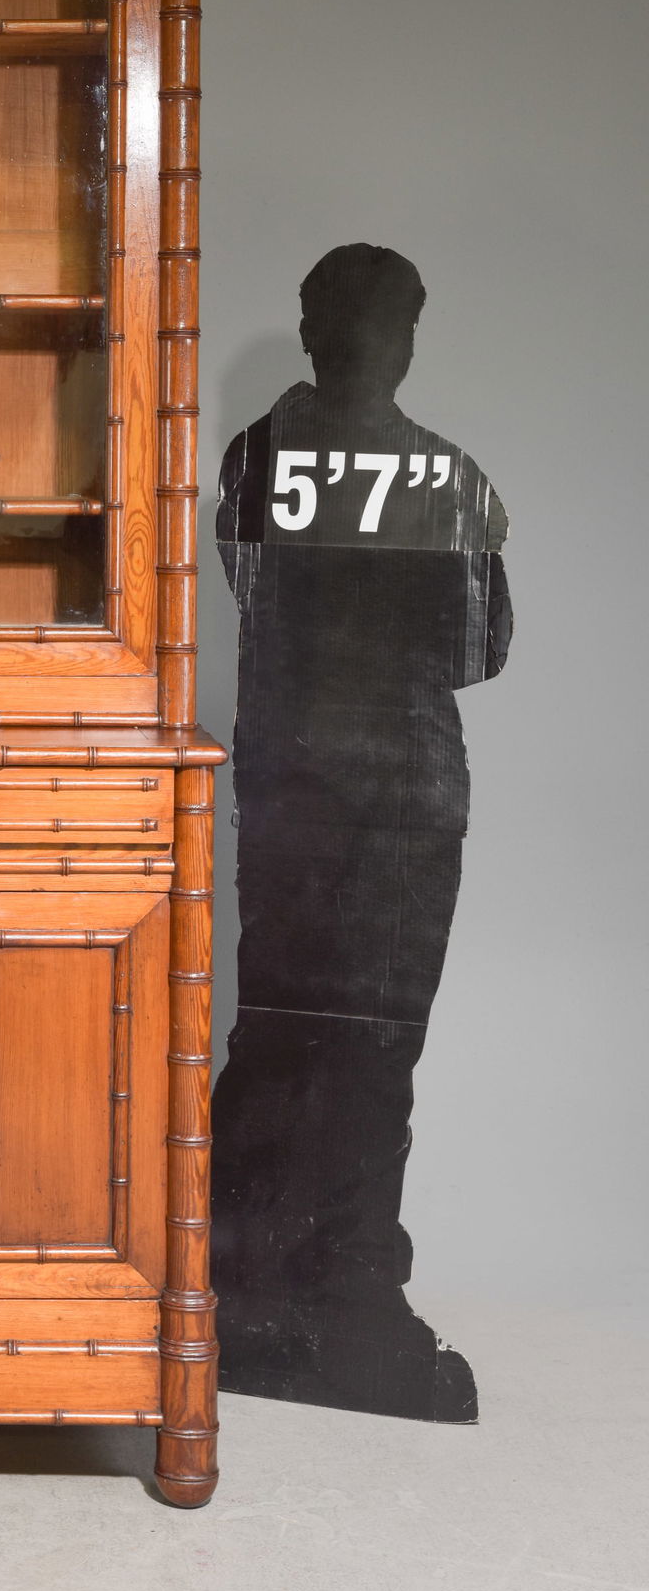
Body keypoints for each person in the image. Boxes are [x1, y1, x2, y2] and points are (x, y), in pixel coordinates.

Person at [211, 243, 511, 1419]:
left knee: (285, 1034)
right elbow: (478, 651)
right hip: (398, 794)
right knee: (365, 1049)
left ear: (309, 332)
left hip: (300, 783)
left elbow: (250, 587)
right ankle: (333, 1302)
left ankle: (259, 1288)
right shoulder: (447, 479)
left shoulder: (256, 456)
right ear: (401, 341)